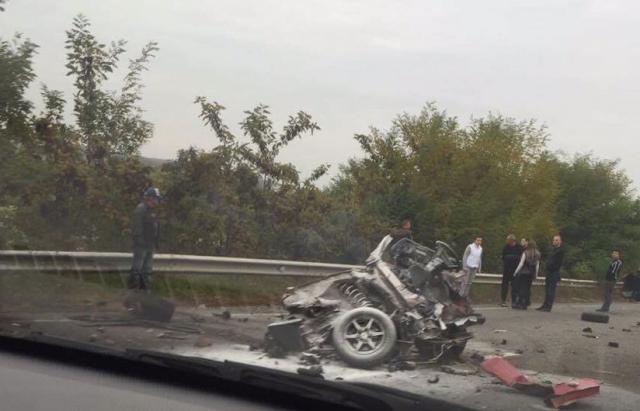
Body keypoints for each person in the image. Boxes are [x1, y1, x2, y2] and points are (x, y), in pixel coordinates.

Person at [127, 187, 163, 292]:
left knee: (147, 272)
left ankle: (145, 294)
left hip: (150, 246)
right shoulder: (140, 210)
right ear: (150, 198)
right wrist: (140, 243)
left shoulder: (152, 211)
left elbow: (155, 229)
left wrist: (156, 243)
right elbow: (136, 229)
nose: (157, 201)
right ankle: (132, 294)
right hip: (141, 246)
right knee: (136, 270)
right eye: (156, 198)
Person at [536, 235, 564, 312]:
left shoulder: (560, 251)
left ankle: (548, 306)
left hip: (554, 272)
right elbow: (548, 259)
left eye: (556, 240)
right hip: (548, 271)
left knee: (551, 289)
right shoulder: (551, 250)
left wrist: (551, 266)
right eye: (554, 240)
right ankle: (545, 304)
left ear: (560, 241)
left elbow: (557, 263)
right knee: (547, 289)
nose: (555, 241)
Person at [512, 240, 540, 310]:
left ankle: (521, 303)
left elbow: (521, 264)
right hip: (531, 273)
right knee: (527, 288)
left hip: (524, 272)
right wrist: (536, 274)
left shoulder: (525, 253)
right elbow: (537, 265)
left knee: (522, 288)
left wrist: (516, 272)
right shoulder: (538, 254)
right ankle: (526, 302)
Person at [501, 234, 521, 307]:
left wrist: (510, 257)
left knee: (515, 286)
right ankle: (503, 300)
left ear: (512, 240)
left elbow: (520, 257)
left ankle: (514, 300)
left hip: (515, 270)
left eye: (508, 240)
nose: (507, 241)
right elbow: (503, 256)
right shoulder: (506, 247)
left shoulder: (518, 247)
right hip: (506, 269)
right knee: (504, 285)